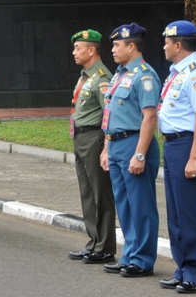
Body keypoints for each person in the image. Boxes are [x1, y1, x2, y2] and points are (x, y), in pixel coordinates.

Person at [100, 23, 161, 277]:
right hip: (115, 144)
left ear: (131, 46)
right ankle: (130, 254)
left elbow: (149, 118)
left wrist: (139, 154)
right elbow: (109, 113)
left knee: (140, 204)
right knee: (124, 205)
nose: (113, 50)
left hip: (135, 143)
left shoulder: (145, 76)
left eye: (117, 45)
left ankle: (142, 260)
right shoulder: (120, 74)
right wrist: (106, 148)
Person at [158, 20, 196, 294]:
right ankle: (183, 269)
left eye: (167, 42)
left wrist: (194, 158)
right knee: (177, 214)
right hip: (173, 145)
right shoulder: (176, 72)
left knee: (191, 213)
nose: (164, 46)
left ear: (178, 45)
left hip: (188, 145)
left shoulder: (195, 73)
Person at [67, 29, 116, 264]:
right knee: (87, 193)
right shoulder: (86, 75)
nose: (74, 52)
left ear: (92, 50)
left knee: (100, 194)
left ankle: (105, 246)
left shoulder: (102, 78)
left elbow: (109, 115)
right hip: (81, 138)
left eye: (78, 48)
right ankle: (93, 242)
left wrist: (106, 147)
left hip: (94, 138)